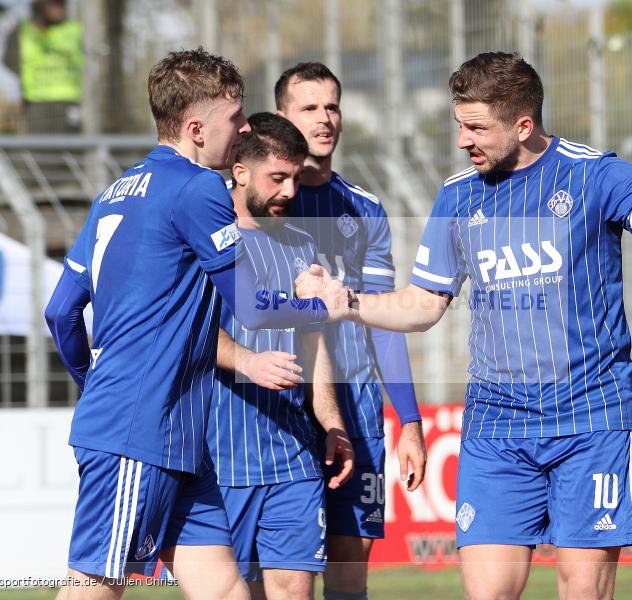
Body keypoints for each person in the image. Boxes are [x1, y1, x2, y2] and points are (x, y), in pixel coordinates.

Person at [297, 52, 632, 600]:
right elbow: (424, 303)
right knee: (488, 592)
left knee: (582, 591)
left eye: (476, 128)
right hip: (496, 430)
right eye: (459, 126)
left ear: (523, 125)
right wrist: (348, 301)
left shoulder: (596, 175)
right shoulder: (458, 195)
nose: (463, 141)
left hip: (590, 423)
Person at [44, 48, 349, 599]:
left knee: (227, 591)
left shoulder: (115, 191)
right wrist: (320, 307)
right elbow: (254, 307)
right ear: (194, 127)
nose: (243, 128)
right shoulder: (197, 186)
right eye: (234, 118)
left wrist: (93, 385)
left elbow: (60, 311)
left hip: (179, 438)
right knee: (95, 588)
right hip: (141, 431)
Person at [274, 62, 427, 600]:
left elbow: (384, 320)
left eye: (332, 106)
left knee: (349, 567)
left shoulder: (365, 209)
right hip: (281, 400)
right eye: (309, 108)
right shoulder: (256, 202)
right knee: (280, 571)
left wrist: (409, 420)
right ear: (281, 118)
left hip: (358, 405)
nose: (324, 118)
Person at [208, 112, 355, 599]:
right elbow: (191, 335)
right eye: (278, 178)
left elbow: (315, 345)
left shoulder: (301, 244)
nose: (290, 191)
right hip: (222, 459)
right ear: (241, 171)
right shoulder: (207, 240)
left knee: (294, 588)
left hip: (294, 455)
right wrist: (247, 360)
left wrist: (331, 423)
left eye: (294, 177)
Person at [4, 0, 84, 133]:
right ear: (40, 5)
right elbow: (8, 59)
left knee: (70, 149)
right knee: (37, 149)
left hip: (68, 102)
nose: (59, 9)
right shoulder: (23, 30)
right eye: (54, 4)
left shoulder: (75, 29)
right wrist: (27, 74)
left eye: (61, 4)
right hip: (36, 104)